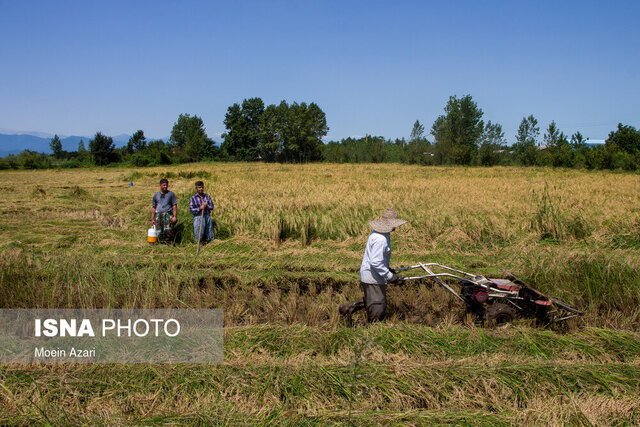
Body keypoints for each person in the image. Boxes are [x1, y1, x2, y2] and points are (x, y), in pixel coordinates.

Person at [339, 207, 408, 322]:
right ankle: (373, 331)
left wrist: (387, 269)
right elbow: (375, 262)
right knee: (378, 304)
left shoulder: (381, 234)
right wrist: (390, 276)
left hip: (372, 273)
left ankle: (347, 308)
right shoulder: (380, 239)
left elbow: (377, 259)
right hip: (372, 276)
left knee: (371, 299)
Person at [151, 178, 178, 244]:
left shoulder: (171, 194)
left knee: (168, 230)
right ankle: (160, 243)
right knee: (158, 231)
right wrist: (152, 218)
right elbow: (154, 207)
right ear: (160, 185)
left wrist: (174, 216)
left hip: (168, 214)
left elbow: (174, 206)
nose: (165, 187)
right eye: (164, 185)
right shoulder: (156, 195)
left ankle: (169, 243)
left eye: (166, 185)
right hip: (158, 215)